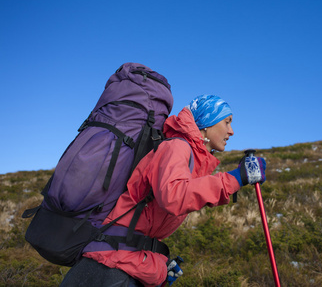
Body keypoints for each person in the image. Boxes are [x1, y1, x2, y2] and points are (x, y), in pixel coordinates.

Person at [60, 94, 266, 287]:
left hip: (117, 262)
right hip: (106, 269)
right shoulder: (177, 147)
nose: (231, 131)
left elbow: (148, 222)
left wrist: (159, 264)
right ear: (207, 123)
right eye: (227, 122)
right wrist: (235, 178)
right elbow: (174, 196)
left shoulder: (189, 156)